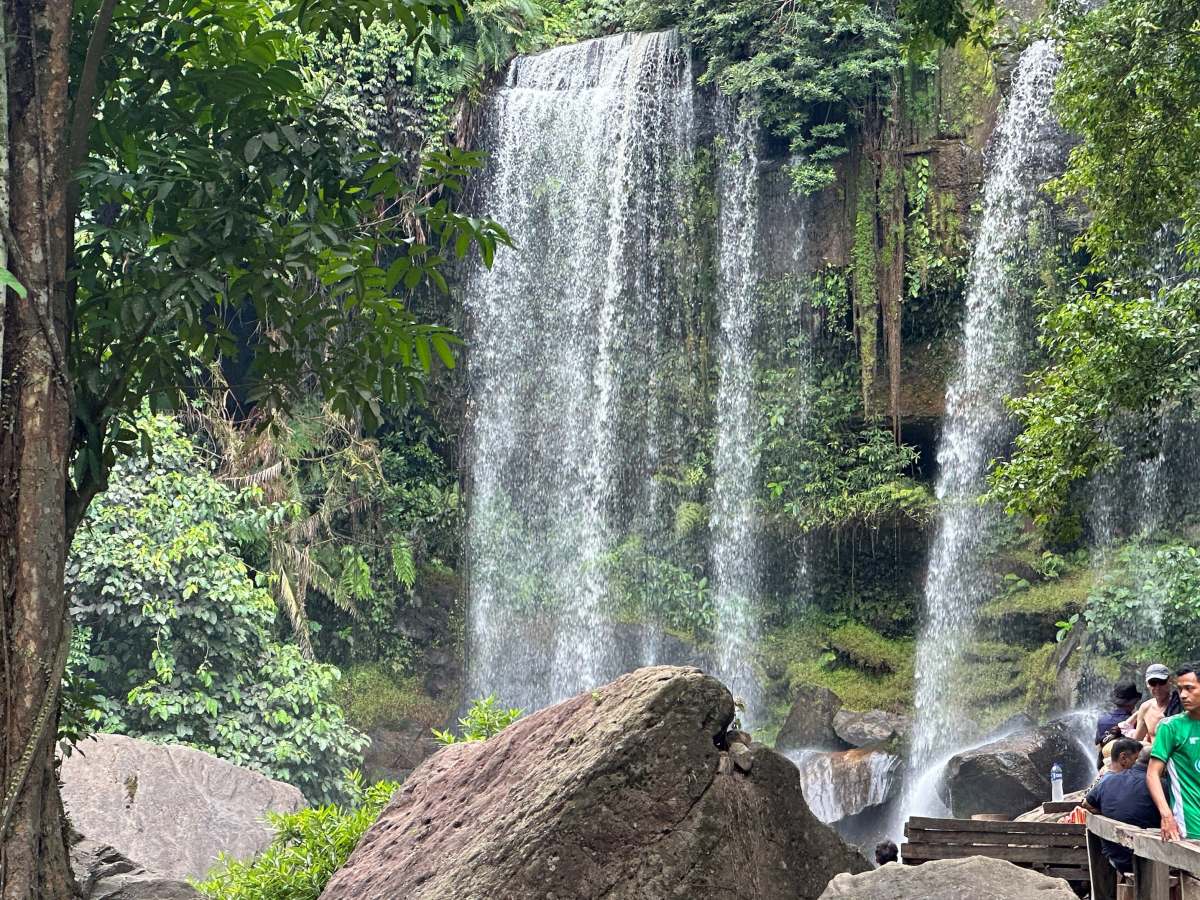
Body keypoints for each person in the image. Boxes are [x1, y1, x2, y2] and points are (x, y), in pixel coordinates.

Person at [1082, 741, 1160, 872]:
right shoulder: (1159, 786)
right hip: (1148, 861)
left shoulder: (1107, 780)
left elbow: (1086, 803)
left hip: (1116, 858)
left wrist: (1106, 812)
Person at [1148, 662, 1200, 841]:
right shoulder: (1170, 727)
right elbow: (1152, 774)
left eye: (1189, 688)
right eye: (1180, 689)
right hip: (1188, 828)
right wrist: (1166, 815)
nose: (1183, 695)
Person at [1096, 682, 1142, 766]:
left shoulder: (1102, 720)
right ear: (1133, 702)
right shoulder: (1137, 722)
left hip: (1106, 766)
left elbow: (1098, 746)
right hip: (1129, 767)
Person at [1129, 663, 1175, 744]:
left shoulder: (1182, 706)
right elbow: (1136, 742)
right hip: (1154, 754)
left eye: (1161, 682)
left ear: (1169, 681)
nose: (1157, 688)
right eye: (1153, 683)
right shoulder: (1146, 708)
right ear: (1147, 684)